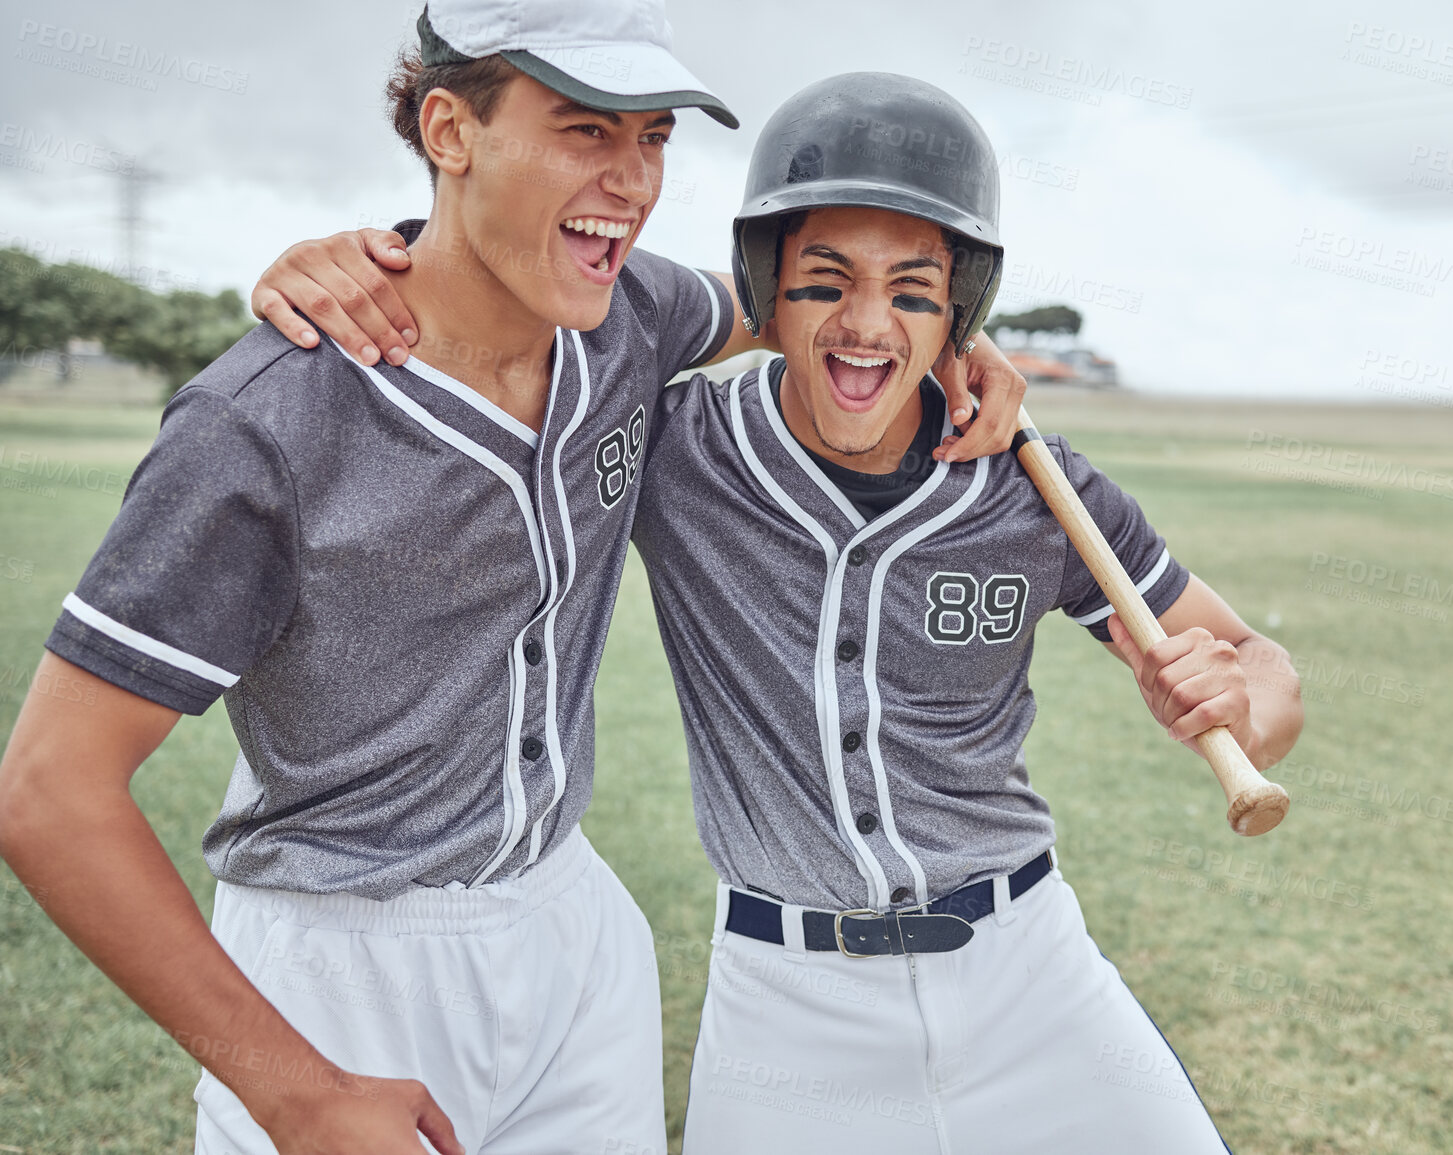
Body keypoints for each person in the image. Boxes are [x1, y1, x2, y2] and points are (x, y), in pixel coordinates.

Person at [0, 4, 1023, 1152]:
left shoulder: (630, 314)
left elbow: (815, 305)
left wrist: (950, 343)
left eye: (653, 136)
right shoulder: (263, 426)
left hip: (571, 937)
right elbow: (49, 793)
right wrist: (288, 1088)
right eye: (585, 130)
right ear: (450, 128)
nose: (632, 181)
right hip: (339, 972)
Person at [268, 72, 1305, 1149]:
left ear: (963, 308)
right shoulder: (676, 448)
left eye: (914, 291)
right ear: (765, 289)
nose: (865, 327)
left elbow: (1254, 667)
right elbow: (505, 300)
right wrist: (346, 260)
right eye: (824, 282)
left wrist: (1244, 695)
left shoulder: (1035, 484)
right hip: (786, 1005)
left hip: (1030, 971)